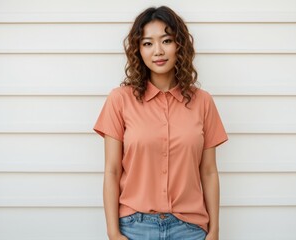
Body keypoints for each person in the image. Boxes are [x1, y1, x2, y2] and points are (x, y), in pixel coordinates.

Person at [93, 6, 228, 240]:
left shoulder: (203, 102)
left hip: (190, 227)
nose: (158, 51)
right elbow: (112, 171)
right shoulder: (119, 100)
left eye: (166, 40)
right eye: (147, 43)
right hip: (134, 226)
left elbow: (208, 172)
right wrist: (113, 232)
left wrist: (214, 230)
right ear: (138, 50)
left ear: (179, 46)